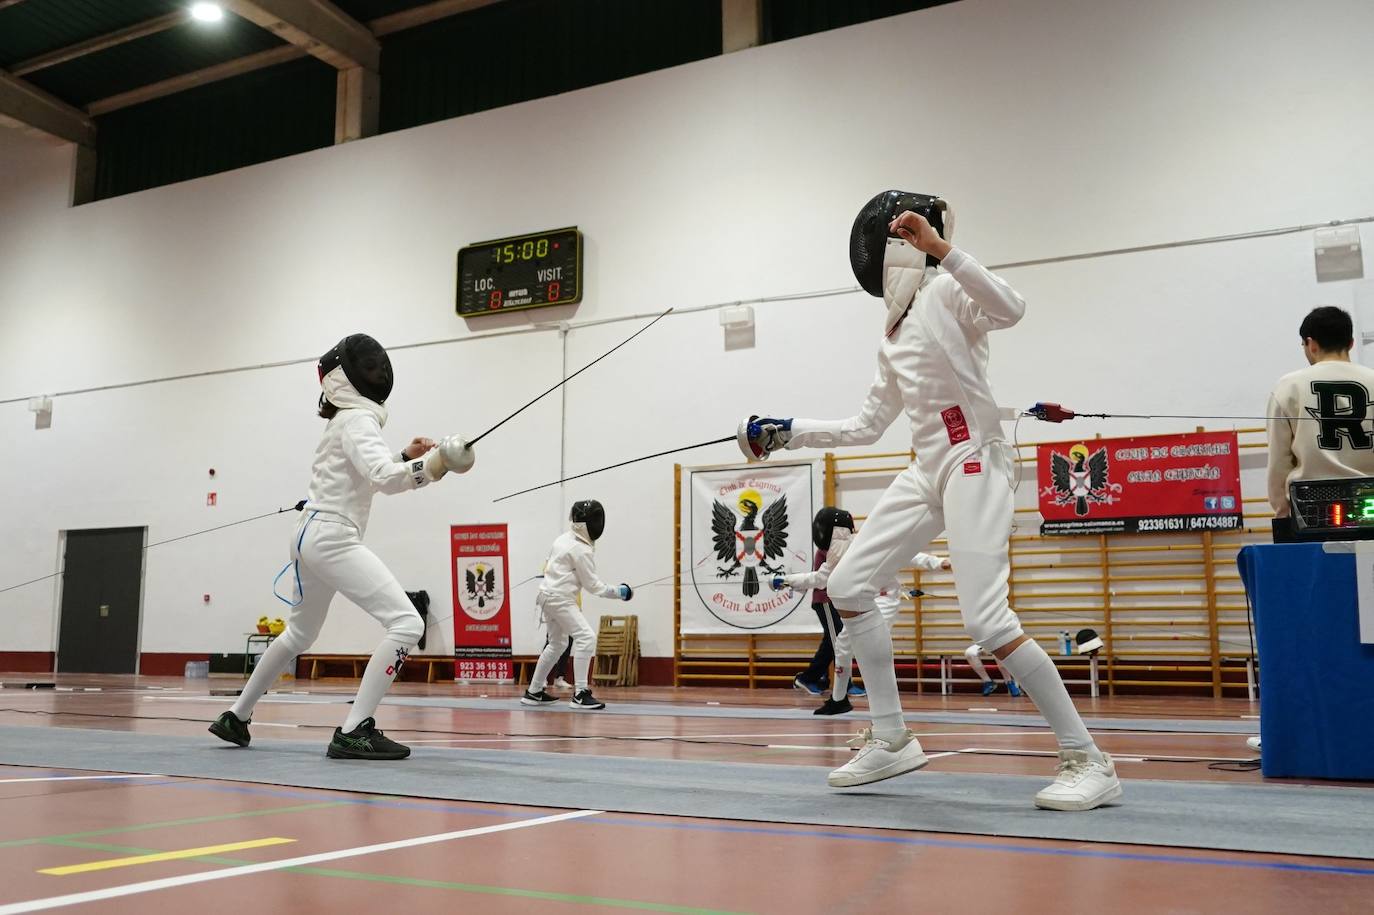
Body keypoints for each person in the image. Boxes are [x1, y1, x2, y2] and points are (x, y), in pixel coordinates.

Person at [739, 191, 1121, 810]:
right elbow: (865, 426)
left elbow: (1012, 308)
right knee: (847, 586)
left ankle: (1088, 758)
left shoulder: (947, 291)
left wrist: (941, 249)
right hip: (927, 469)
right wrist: (789, 433)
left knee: (988, 622)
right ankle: (891, 738)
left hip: (976, 458)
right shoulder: (891, 335)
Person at [210, 334, 473, 760]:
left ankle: (235, 716)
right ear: (347, 377)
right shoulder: (357, 419)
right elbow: (386, 479)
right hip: (331, 536)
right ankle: (355, 729)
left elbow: (369, 470)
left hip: (308, 535)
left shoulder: (347, 419)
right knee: (407, 623)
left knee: (298, 632)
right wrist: (436, 464)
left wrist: (406, 454)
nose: (378, 371)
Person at [776, 539, 948, 715]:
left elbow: (908, 554)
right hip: (861, 602)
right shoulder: (842, 551)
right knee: (842, 644)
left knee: (874, 651)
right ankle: (839, 699)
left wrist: (939, 562)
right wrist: (786, 580)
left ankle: (886, 710)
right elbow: (819, 578)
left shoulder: (873, 542)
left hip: (885, 602)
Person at [1266, 306, 1374, 542]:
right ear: (1352, 343)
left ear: (1311, 344)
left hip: (1311, 514)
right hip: (1370, 506)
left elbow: (1279, 461)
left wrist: (1283, 514)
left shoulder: (1289, 386)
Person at [520, 500, 632, 710]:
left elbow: (548, 565)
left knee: (557, 644)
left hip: (546, 596)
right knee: (587, 637)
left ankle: (534, 691)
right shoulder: (581, 549)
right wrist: (621, 592)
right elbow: (594, 587)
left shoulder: (563, 538)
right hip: (559, 599)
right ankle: (581, 693)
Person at [786, 508, 853, 697]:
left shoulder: (843, 546)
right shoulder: (828, 549)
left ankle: (817, 678)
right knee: (838, 641)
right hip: (825, 600)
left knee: (834, 641)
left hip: (836, 600)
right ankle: (816, 679)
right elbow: (822, 578)